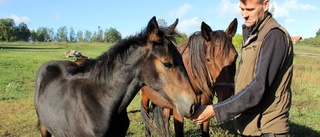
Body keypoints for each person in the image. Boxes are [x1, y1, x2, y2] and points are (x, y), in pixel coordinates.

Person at [190, 0, 293, 136]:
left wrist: (215, 110)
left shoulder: (274, 36)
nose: (244, 15)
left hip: (266, 129)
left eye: (250, 10)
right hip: (250, 126)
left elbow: (258, 88)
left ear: (266, 5)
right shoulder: (254, 36)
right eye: (242, 9)